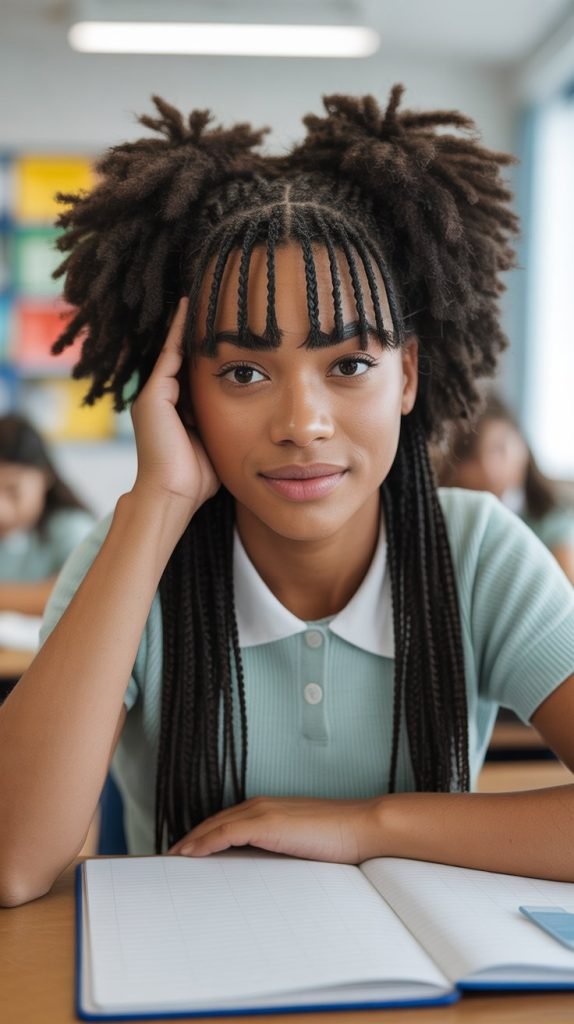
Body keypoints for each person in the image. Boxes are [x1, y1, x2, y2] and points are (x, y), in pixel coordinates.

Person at [0, 86, 573, 908]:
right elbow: (12, 861)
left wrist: (369, 826)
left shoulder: (477, 551)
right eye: (242, 372)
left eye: (349, 365)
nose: (303, 423)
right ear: (179, 391)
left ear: (406, 374)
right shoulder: (130, 557)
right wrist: (157, 502)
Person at [436, 393, 574, 583]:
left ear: (522, 445)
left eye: (500, 449)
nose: (489, 468)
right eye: (473, 458)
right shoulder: (448, 521)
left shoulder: (551, 520)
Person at [0, 413, 94, 616]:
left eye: (13, 490)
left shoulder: (72, 527)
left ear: (45, 476)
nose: (2, 511)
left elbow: (78, 595)